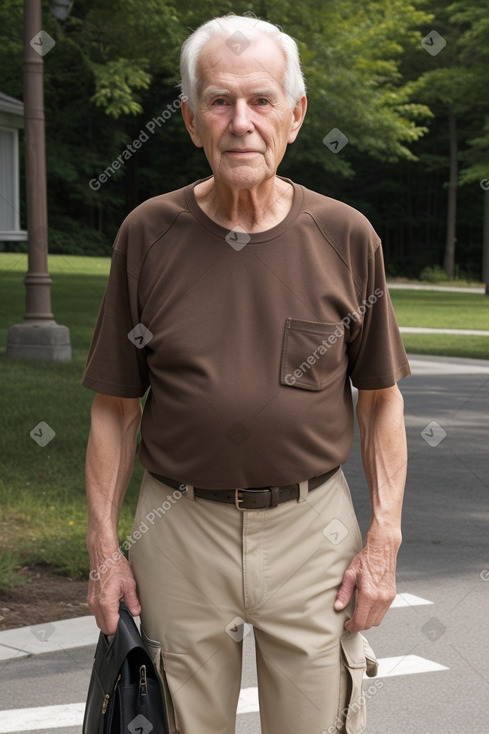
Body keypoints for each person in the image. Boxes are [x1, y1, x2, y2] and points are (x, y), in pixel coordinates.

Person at [83, 14, 410, 734]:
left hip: (311, 530)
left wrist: (381, 542)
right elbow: (115, 406)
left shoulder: (347, 236)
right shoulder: (146, 233)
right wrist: (105, 551)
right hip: (178, 527)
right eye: (219, 102)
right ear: (191, 120)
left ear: (295, 115)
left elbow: (379, 402)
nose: (241, 122)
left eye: (260, 100)